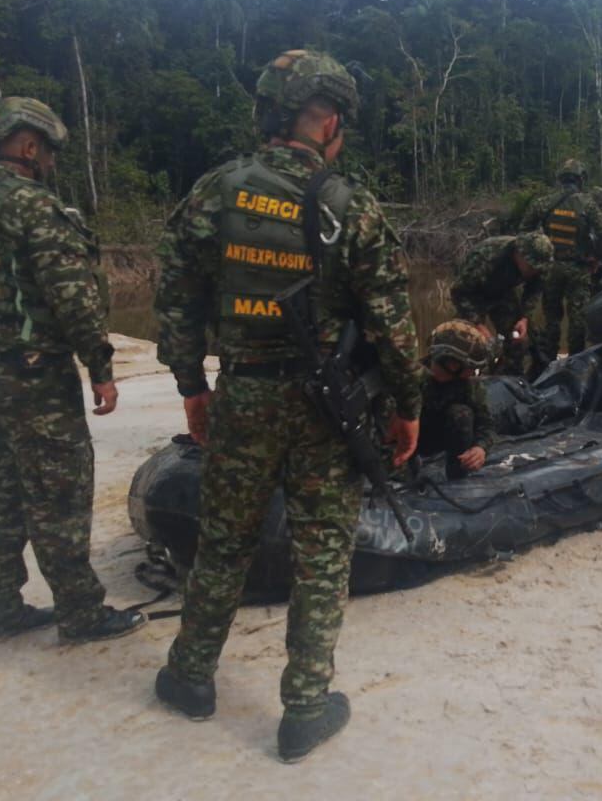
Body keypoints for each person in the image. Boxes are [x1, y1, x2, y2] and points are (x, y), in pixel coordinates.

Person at [152, 49, 423, 763]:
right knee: (322, 551)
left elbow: (176, 297)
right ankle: (304, 706)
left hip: (241, 392)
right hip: (325, 408)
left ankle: (188, 676)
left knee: (224, 541)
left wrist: (191, 386)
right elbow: (394, 325)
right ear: (327, 118)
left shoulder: (215, 191)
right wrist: (407, 405)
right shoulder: (348, 204)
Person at [0, 97, 145, 644]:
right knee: (60, 492)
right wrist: (99, 365)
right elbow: (72, 296)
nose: (50, 161)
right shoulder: (31, 205)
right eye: (48, 151)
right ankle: (81, 611)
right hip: (32, 376)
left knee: (4, 486)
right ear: (28, 145)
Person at [520, 158, 602, 363]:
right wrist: (597, 257)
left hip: (550, 267)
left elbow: (524, 232)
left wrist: (536, 255)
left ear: (561, 179)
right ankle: (575, 362)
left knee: (552, 317)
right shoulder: (588, 204)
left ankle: (548, 360)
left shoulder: (543, 202)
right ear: (580, 179)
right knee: (578, 319)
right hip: (579, 268)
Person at [450, 232, 553, 376]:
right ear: (519, 254)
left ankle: (508, 379)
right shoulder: (487, 256)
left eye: (537, 267)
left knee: (517, 339)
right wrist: (478, 324)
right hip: (472, 295)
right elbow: (459, 292)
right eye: (531, 266)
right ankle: (462, 382)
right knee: (465, 342)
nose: (534, 270)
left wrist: (524, 318)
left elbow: (534, 290)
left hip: (503, 292)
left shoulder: (541, 263)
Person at [418, 321, 496, 479]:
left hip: (439, 436)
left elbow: (487, 424)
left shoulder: (468, 386)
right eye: (470, 368)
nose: (471, 374)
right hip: (407, 439)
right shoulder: (411, 379)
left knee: (462, 414)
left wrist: (480, 448)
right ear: (451, 363)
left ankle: (457, 476)